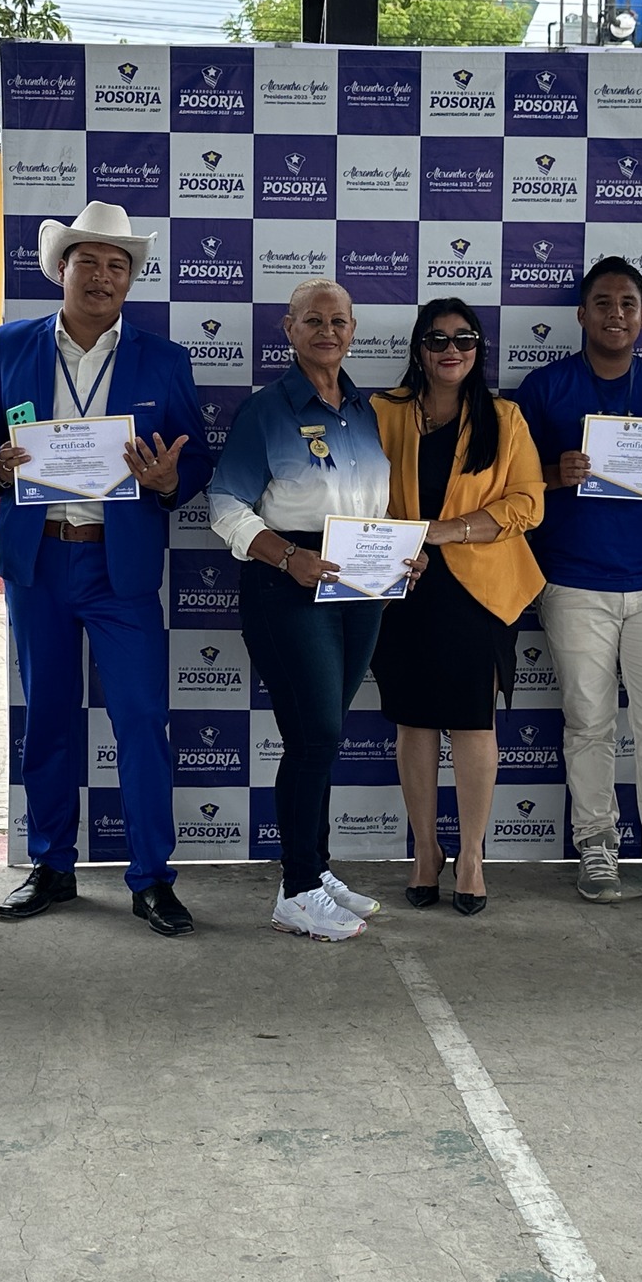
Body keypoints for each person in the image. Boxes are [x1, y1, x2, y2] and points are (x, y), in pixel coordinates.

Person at [0, 201, 213, 938]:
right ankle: (52, 865)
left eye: (117, 265)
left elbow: (194, 457)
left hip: (119, 566)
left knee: (140, 720)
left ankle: (152, 877)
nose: (103, 276)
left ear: (129, 280)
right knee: (47, 717)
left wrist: (169, 481)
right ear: (61, 269)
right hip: (39, 560)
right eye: (89, 262)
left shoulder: (164, 359)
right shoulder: (10, 345)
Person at [208, 279, 420, 942]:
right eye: (313, 321)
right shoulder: (266, 409)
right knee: (314, 737)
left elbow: (371, 506)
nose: (328, 332)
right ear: (289, 329)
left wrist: (402, 554)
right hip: (287, 584)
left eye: (339, 321)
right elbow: (223, 503)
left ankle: (316, 869)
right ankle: (296, 892)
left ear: (353, 330)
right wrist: (284, 557)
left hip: (362, 589)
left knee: (320, 736)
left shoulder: (365, 411)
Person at [513, 256, 642, 912]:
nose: (616, 314)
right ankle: (597, 847)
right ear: (582, 314)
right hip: (574, 582)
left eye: (628, 304)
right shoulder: (544, 387)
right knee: (589, 723)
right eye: (603, 303)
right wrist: (557, 472)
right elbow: (508, 486)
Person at [370, 299, 544, 916]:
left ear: (479, 349)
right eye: (438, 339)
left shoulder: (505, 417)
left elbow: (528, 503)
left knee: (473, 723)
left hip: (480, 590)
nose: (451, 350)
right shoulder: (382, 411)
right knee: (413, 722)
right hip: (402, 585)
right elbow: (358, 492)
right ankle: (426, 850)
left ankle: (471, 855)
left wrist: (446, 531)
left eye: (464, 339)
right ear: (418, 348)